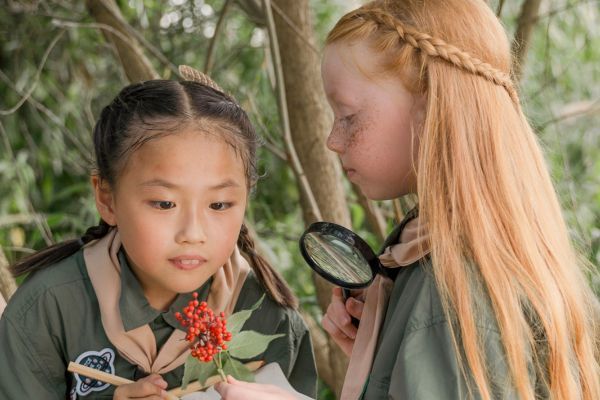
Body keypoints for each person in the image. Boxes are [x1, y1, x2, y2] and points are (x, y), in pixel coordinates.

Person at [215, 0, 600, 399]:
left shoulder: (451, 294)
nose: (332, 139)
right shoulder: (470, 258)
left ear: (429, 108)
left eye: (347, 115)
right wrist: (387, 353)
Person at [0, 71, 317, 399]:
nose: (193, 233)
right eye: (165, 203)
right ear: (107, 198)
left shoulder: (271, 321)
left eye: (220, 204)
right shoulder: (48, 309)